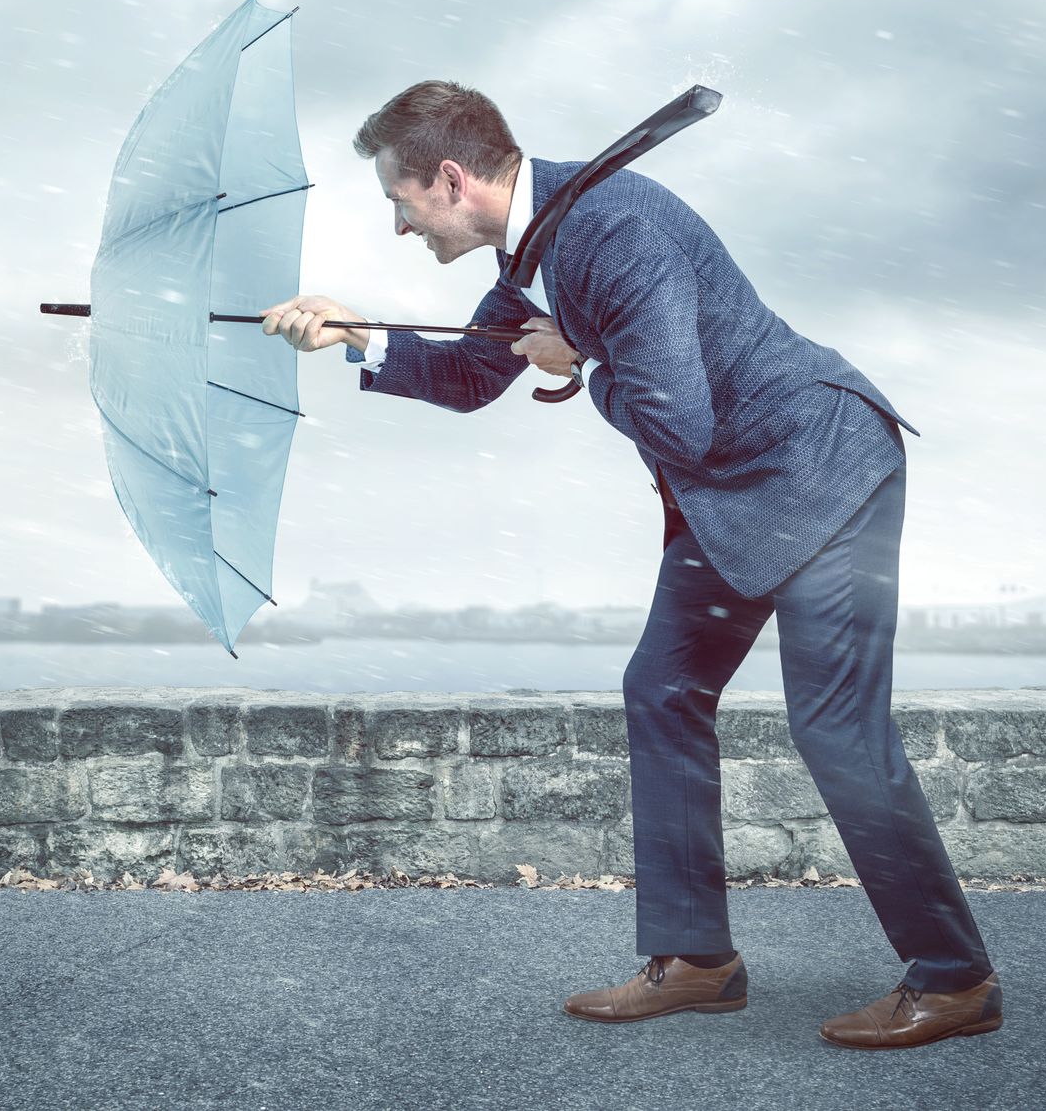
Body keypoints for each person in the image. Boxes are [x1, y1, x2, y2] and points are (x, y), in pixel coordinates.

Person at [259, 80, 1001, 1051]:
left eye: (396, 202)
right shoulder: (532, 250)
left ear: (448, 179)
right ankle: (696, 959)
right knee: (660, 688)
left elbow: (676, 421)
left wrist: (580, 366)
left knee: (833, 729)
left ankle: (953, 979)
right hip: (725, 491)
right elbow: (476, 373)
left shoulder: (612, 234)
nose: (398, 228)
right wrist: (356, 337)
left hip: (821, 469)